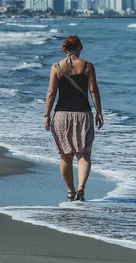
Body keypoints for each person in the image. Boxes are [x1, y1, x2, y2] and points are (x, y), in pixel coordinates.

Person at [43, 35, 104, 201]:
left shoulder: (56, 67)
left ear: (64, 49)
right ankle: (81, 188)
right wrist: (99, 112)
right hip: (83, 114)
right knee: (83, 154)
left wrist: (47, 115)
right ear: (79, 48)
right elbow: (94, 91)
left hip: (61, 115)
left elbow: (51, 93)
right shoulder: (87, 66)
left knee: (65, 154)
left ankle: (70, 192)